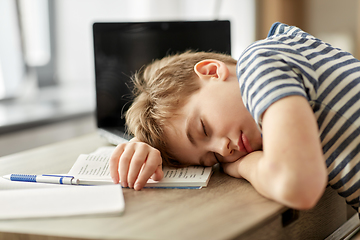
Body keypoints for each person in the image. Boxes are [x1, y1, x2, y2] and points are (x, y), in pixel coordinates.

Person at [109, 22, 360, 212]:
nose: (224, 150)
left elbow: (297, 187)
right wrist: (146, 146)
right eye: (212, 159)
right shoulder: (286, 57)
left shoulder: (258, 63)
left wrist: (241, 166)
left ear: (211, 71)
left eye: (204, 129)